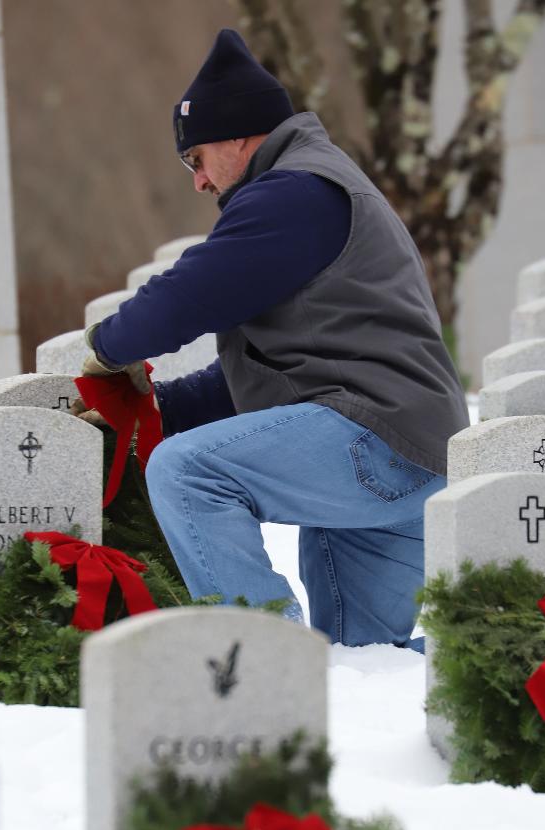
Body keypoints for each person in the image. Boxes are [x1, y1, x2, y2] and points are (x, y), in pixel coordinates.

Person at [76, 28, 469, 648]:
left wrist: (102, 350)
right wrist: (156, 407)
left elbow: (188, 295)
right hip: (403, 448)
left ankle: (262, 654)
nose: (198, 182)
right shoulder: (313, 188)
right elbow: (267, 373)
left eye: (195, 158)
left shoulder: (295, 191)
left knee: (188, 473)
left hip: (372, 440)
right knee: (361, 667)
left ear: (238, 135)